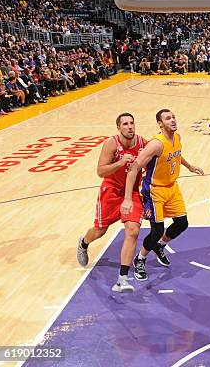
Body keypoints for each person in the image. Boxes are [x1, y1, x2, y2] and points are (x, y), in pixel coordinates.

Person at [121, 109, 204, 280]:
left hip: (172, 187)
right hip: (154, 190)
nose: (173, 120)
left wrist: (189, 166)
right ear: (160, 124)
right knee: (156, 230)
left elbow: (176, 155)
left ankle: (160, 246)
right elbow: (135, 167)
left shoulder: (177, 137)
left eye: (173, 117)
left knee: (182, 223)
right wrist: (128, 198)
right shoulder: (156, 144)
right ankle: (140, 259)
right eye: (168, 118)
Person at [77, 113, 146, 292]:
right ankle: (84, 243)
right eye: (125, 124)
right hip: (111, 192)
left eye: (132, 123)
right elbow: (100, 171)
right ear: (118, 128)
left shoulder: (141, 142)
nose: (130, 127)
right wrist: (120, 163)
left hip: (131, 193)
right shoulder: (111, 144)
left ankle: (122, 278)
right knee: (100, 230)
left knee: (133, 230)